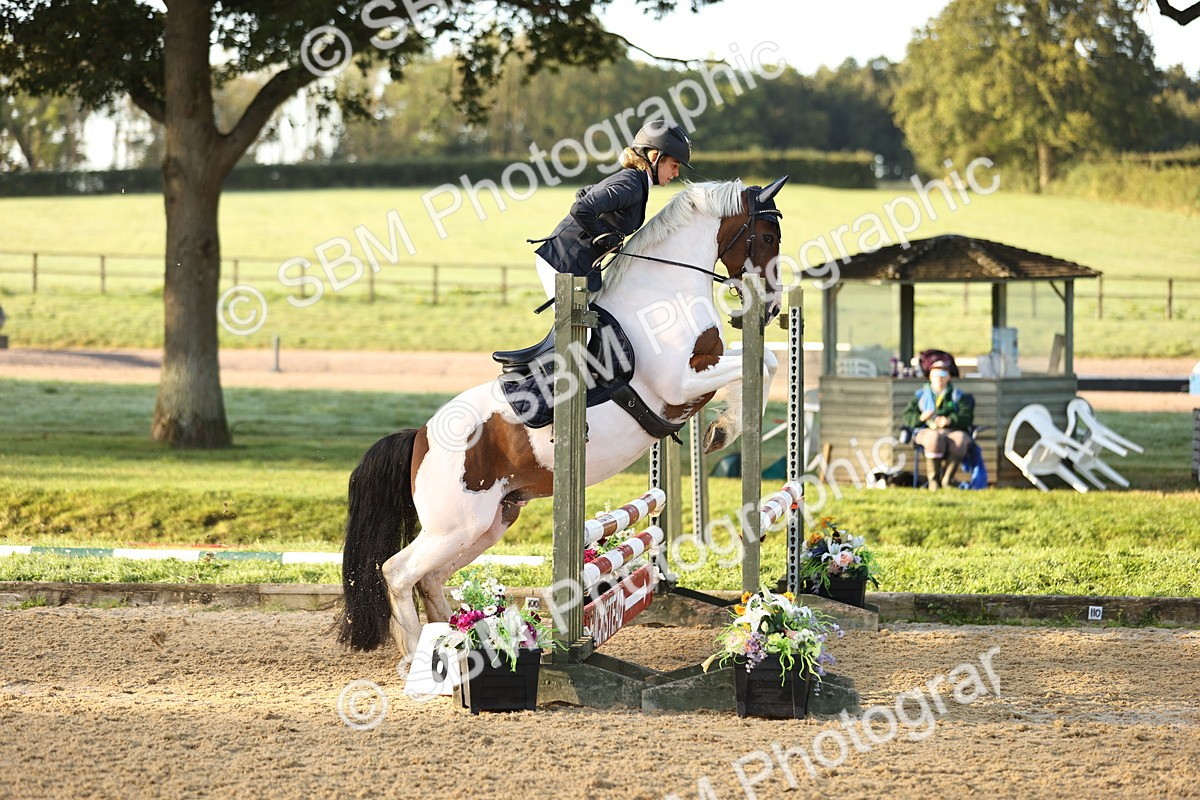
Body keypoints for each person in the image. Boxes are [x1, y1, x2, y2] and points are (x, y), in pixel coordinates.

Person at [531, 119, 692, 296]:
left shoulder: (635, 182)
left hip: (578, 266)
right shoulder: (631, 185)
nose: (676, 173)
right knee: (579, 325)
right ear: (655, 157)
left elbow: (584, 192)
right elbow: (581, 208)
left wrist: (605, 235)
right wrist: (603, 238)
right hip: (562, 263)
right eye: (674, 166)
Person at [902, 360, 975, 490]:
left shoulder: (957, 395)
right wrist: (921, 417)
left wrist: (950, 420)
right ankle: (933, 481)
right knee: (933, 439)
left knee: (960, 441)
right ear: (930, 377)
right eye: (936, 375)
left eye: (942, 375)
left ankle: (947, 480)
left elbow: (967, 416)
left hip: (951, 431)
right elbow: (907, 417)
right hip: (926, 430)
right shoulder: (921, 396)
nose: (939, 378)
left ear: (949, 377)